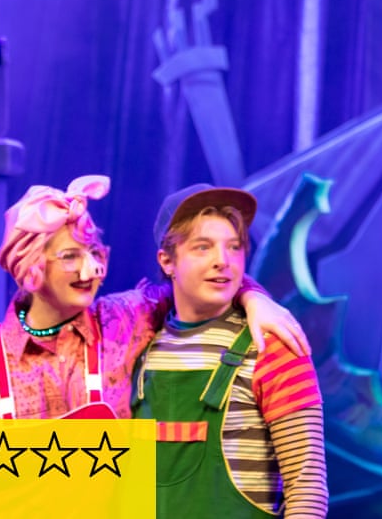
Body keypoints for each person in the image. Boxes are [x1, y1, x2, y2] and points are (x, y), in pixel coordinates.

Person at [0, 175, 307, 419]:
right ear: (28, 267)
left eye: (94, 253)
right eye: (70, 257)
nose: (90, 271)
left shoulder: (126, 318)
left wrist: (254, 297)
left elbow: (198, 279)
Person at [133, 184, 327, 517]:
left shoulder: (271, 344)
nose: (222, 261)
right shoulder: (138, 343)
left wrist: (252, 296)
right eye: (203, 247)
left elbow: (307, 489)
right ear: (167, 261)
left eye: (234, 247)